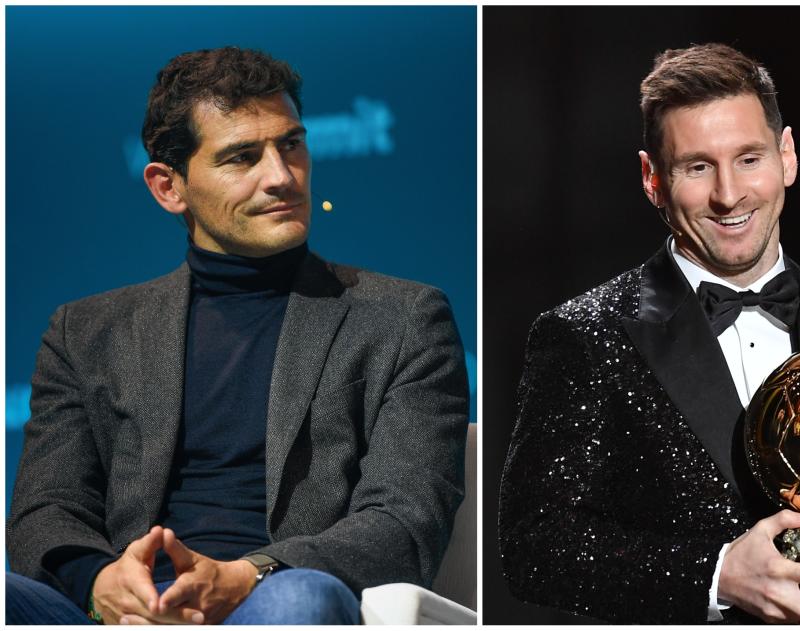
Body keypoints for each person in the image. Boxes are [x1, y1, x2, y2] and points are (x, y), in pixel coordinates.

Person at [6, 47, 468, 625]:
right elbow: (46, 510)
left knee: (303, 599)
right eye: (242, 157)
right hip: (123, 607)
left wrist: (247, 574)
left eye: (291, 144)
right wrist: (100, 581)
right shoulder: (85, 332)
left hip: (274, 589)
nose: (281, 176)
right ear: (169, 188)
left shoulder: (402, 318)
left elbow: (406, 519)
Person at [498, 43, 800, 624]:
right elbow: (535, 546)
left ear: (787, 156)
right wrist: (719, 574)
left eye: (749, 159)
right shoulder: (581, 335)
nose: (729, 195)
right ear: (652, 179)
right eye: (698, 166)